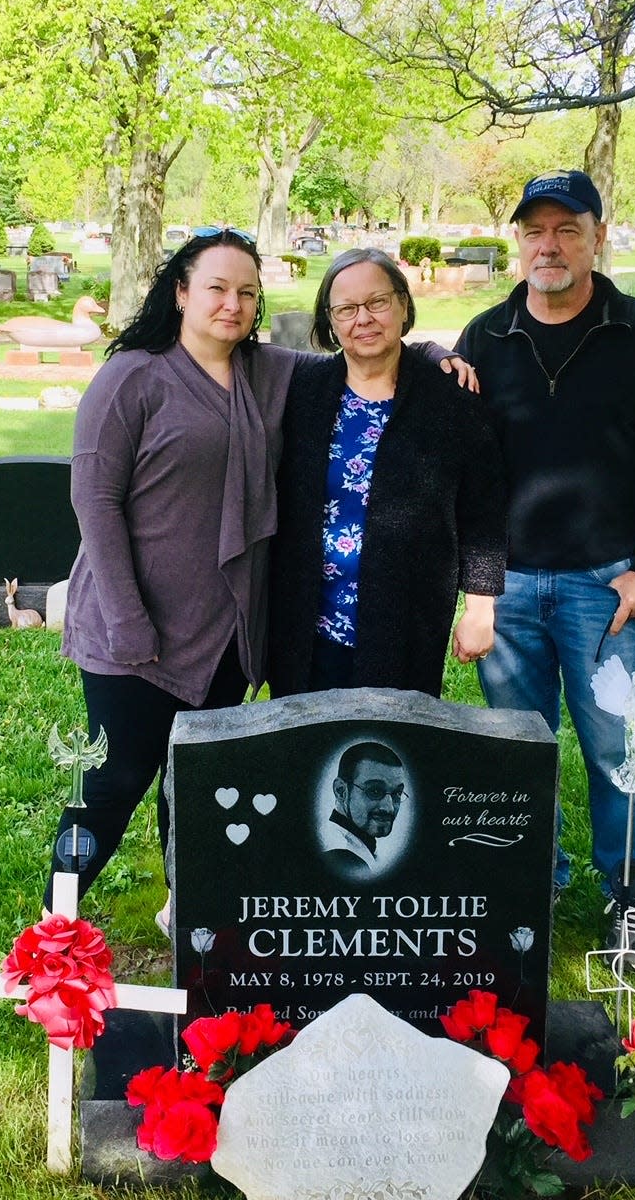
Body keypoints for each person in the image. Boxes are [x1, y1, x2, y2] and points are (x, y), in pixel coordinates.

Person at [43, 230, 472, 925]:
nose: (232, 304)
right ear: (181, 292)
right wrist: (126, 617)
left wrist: (429, 352)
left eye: (247, 292)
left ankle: (191, 913)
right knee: (114, 780)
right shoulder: (134, 376)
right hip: (135, 631)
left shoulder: (268, 371)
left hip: (224, 635)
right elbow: (93, 498)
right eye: (216, 287)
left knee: (196, 782)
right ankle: (51, 930)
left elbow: (361, 353)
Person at [455, 170, 635, 970]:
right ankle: (533, 879)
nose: (549, 245)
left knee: (616, 751)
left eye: (568, 229)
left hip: (610, 588)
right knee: (521, 754)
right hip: (511, 588)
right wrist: (476, 586)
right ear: (518, 242)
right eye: (535, 230)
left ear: (599, 235)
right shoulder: (483, 338)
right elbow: (458, 467)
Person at [267, 248, 507, 698]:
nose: (364, 319)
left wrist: (479, 610)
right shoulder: (303, 392)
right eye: (346, 309)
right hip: (305, 620)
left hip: (407, 619)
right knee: (306, 750)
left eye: (377, 302)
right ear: (331, 322)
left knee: (389, 755)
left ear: (403, 305)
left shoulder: (449, 398)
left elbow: (483, 509)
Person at [321, 741, 407, 875]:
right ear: (341, 791)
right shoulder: (341, 856)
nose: (389, 808)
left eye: (397, 793)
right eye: (375, 791)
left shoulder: (360, 847)